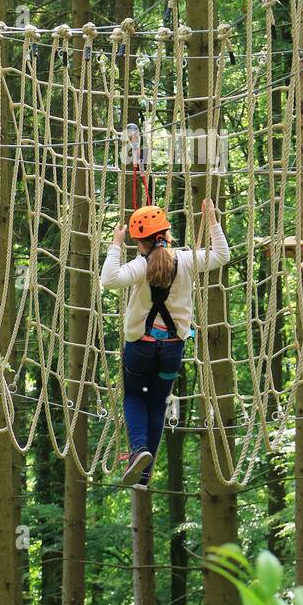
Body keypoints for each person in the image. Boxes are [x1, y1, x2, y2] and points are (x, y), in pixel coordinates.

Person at [100, 199, 230, 487]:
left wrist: (115, 244)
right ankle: (143, 476)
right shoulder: (185, 260)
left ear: (140, 243)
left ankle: (139, 451)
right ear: (167, 235)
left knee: (134, 397)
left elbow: (108, 280)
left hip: (140, 347)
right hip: (172, 348)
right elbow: (222, 255)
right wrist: (211, 220)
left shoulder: (139, 266)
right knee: (157, 403)